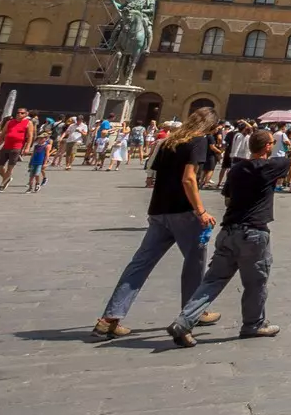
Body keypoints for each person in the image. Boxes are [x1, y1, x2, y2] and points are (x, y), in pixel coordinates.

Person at [167, 126, 291, 345]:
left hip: (228, 231)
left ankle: (184, 321)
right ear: (268, 147)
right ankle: (253, 324)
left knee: (213, 280)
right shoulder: (269, 167)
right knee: (256, 282)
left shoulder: (237, 169)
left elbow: (228, 198)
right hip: (253, 233)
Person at [93, 108, 223, 340]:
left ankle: (109, 319)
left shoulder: (169, 141)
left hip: (158, 210)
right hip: (183, 212)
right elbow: (188, 178)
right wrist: (200, 211)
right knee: (195, 263)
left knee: (140, 264)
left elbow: (155, 173)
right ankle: (193, 312)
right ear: (210, 126)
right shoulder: (199, 141)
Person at [0, 108, 34, 192]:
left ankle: (2, 185)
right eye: (18, 112)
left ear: (26, 114)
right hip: (5, 147)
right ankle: (7, 178)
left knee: (10, 168)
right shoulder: (10, 122)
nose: (19, 114)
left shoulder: (28, 123)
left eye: (22, 113)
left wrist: (27, 148)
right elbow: (2, 135)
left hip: (16, 148)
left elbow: (30, 136)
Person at [26, 126, 52, 192]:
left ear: (45, 139)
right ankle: (30, 187)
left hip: (40, 163)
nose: (39, 140)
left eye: (41, 139)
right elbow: (33, 154)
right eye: (39, 139)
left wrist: (45, 163)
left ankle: (37, 184)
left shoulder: (45, 146)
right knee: (31, 175)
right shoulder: (36, 146)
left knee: (37, 174)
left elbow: (46, 155)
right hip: (34, 162)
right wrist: (30, 162)